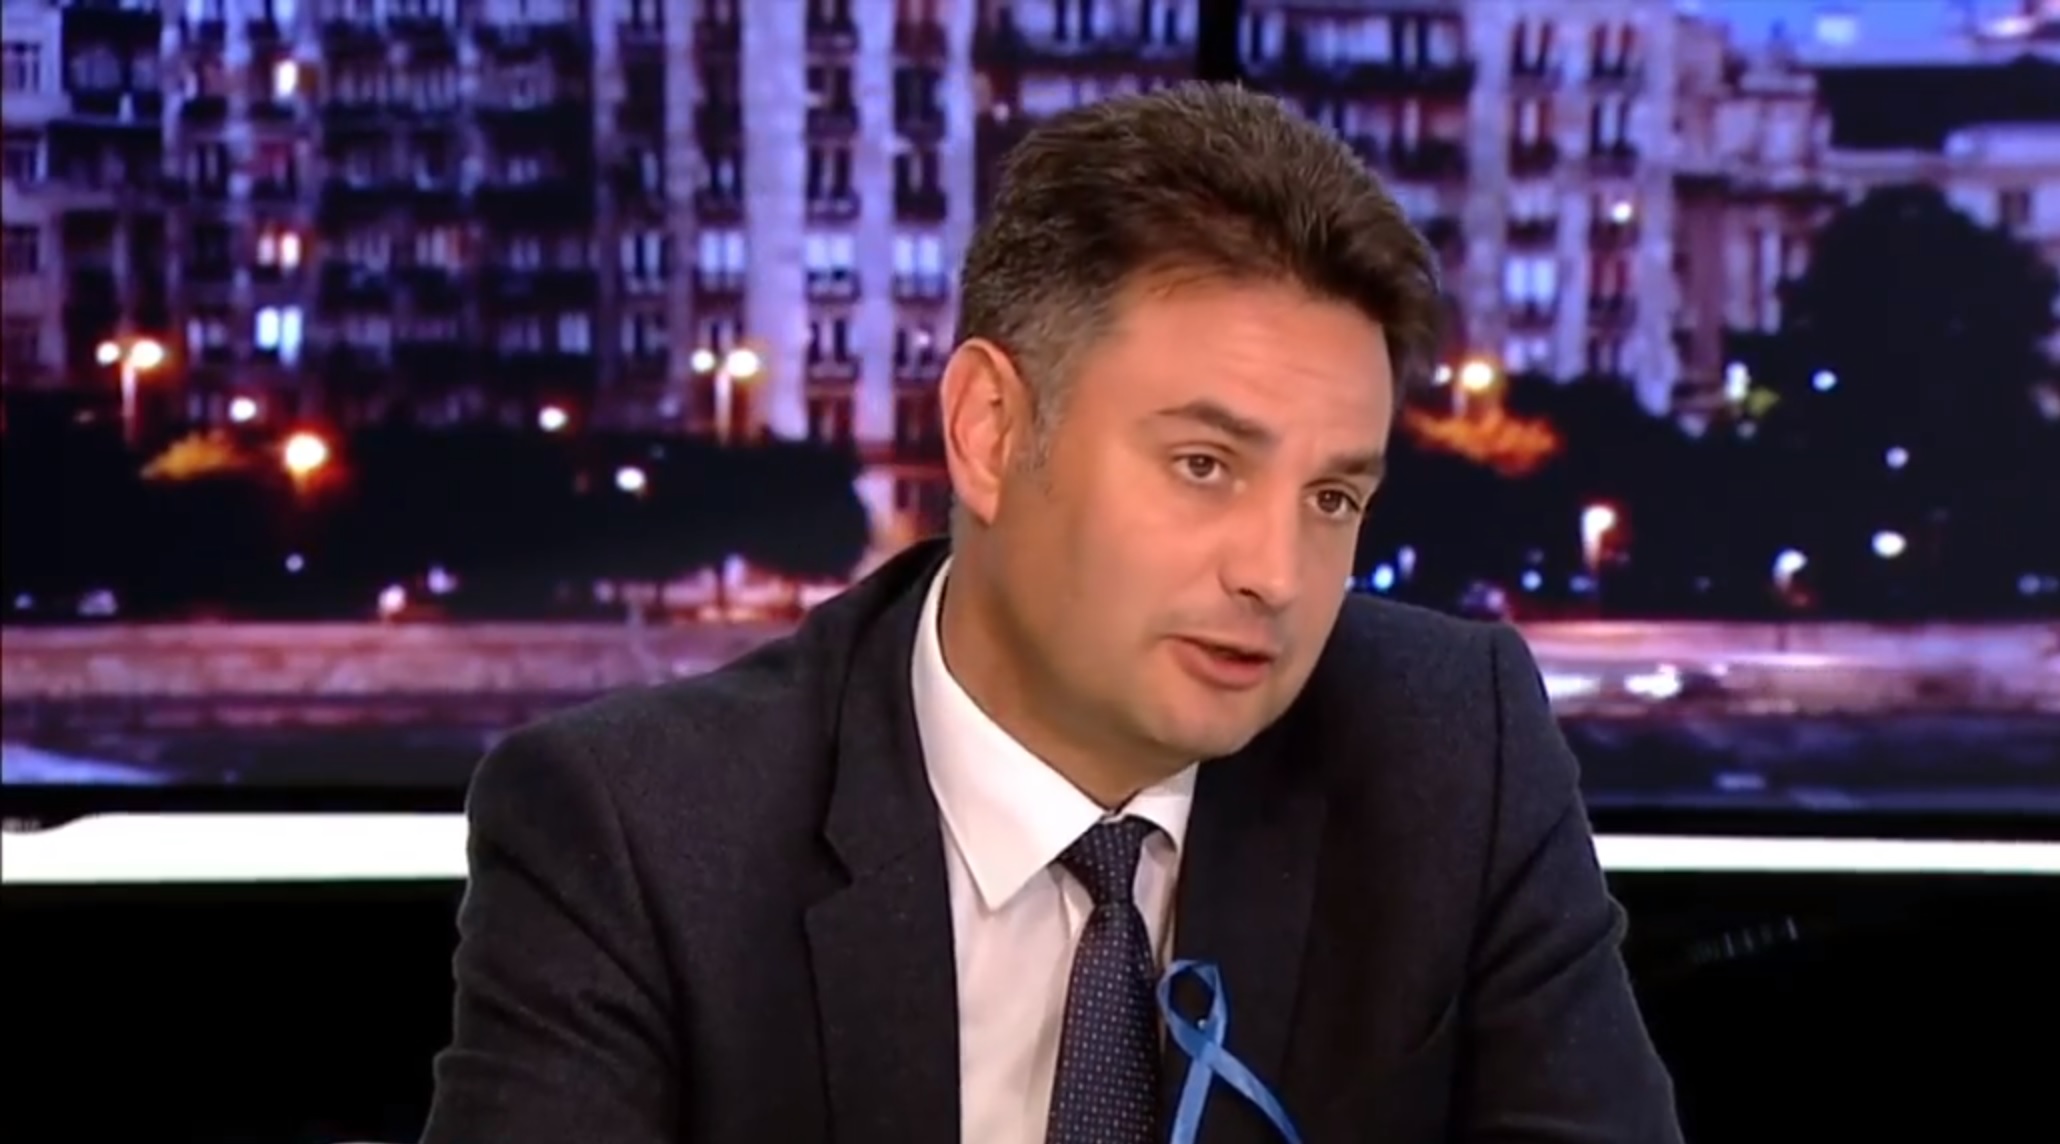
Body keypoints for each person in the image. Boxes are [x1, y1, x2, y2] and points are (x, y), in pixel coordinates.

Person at [420, 83, 1683, 1144]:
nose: (1277, 573)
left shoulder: (1452, 752)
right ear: (989, 431)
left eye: (1332, 496)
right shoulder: (639, 835)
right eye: (1203, 465)